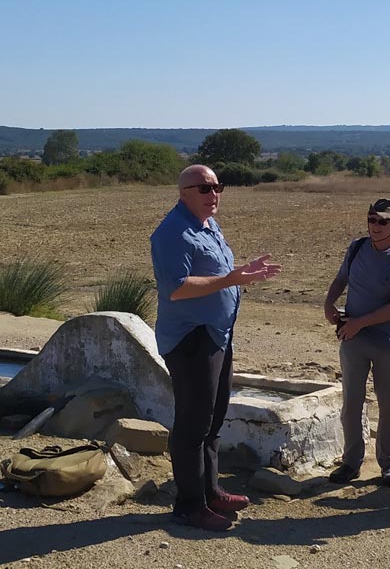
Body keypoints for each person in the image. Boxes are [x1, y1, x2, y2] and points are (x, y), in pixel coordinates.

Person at [150, 164, 281, 532]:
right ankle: (188, 506)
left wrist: (240, 273)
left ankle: (210, 492)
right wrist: (231, 278)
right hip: (191, 338)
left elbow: (218, 273)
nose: (214, 195)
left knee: (214, 418)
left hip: (218, 334)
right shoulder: (171, 233)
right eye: (205, 188)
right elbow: (177, 288)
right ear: (184, 192)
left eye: (217, 187)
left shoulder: (208, 224)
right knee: (193, 425)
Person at [324, 198, 390, 487]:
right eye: (372, 219)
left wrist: (359, 323)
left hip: (387, 340)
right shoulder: (356, 248)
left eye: (383, 221)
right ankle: (351, 462)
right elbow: (341, 279)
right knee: (352, 401)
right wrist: (329, 303)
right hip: (353, 337)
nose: (375, 226)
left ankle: (388, 464)